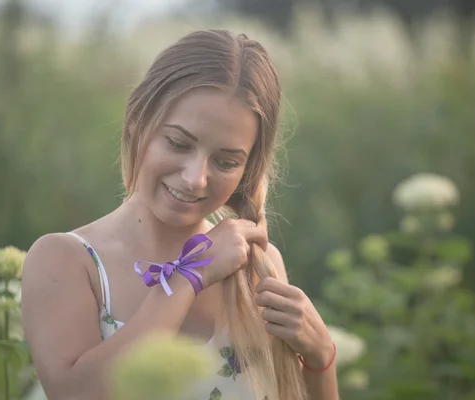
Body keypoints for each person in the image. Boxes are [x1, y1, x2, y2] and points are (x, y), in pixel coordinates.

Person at [21, 29, 338, 400]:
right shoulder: (67, 261)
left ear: (248, 168)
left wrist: (321, 355)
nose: (195, 178)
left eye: (226, 161)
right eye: (177, 143)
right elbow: (78, 394)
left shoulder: (258, 268)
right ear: (138, 120)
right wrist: (192, 274)